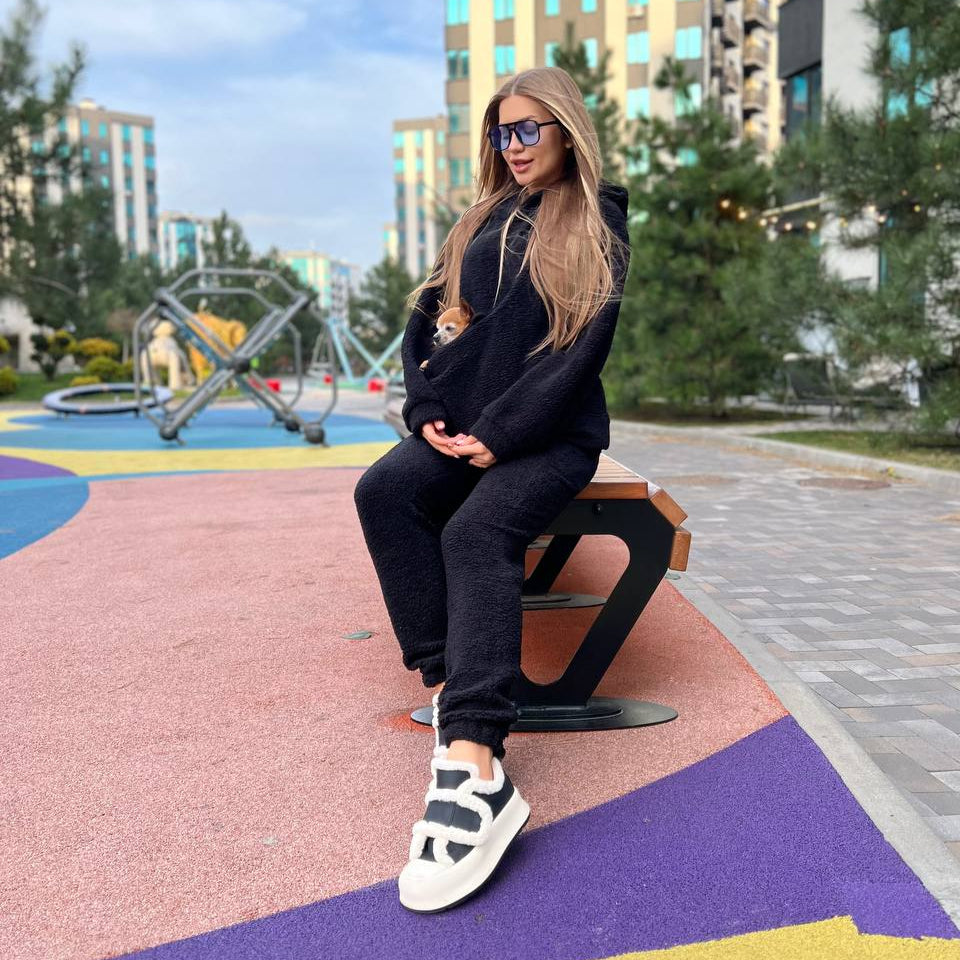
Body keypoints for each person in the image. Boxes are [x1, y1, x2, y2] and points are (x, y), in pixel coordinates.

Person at [353, 65, 631, 914]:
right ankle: (450, 690)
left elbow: (578, 351)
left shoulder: (598, 218)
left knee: (476, 535)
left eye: (526, 130)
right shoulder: (481, 216)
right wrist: (428, 408)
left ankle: (477, 767)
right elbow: (424, 319)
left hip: (547, 436)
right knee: (385, 492)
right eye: (500, 133)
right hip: (464, 426)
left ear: (565, 131)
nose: (510, 147)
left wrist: (500, 434)